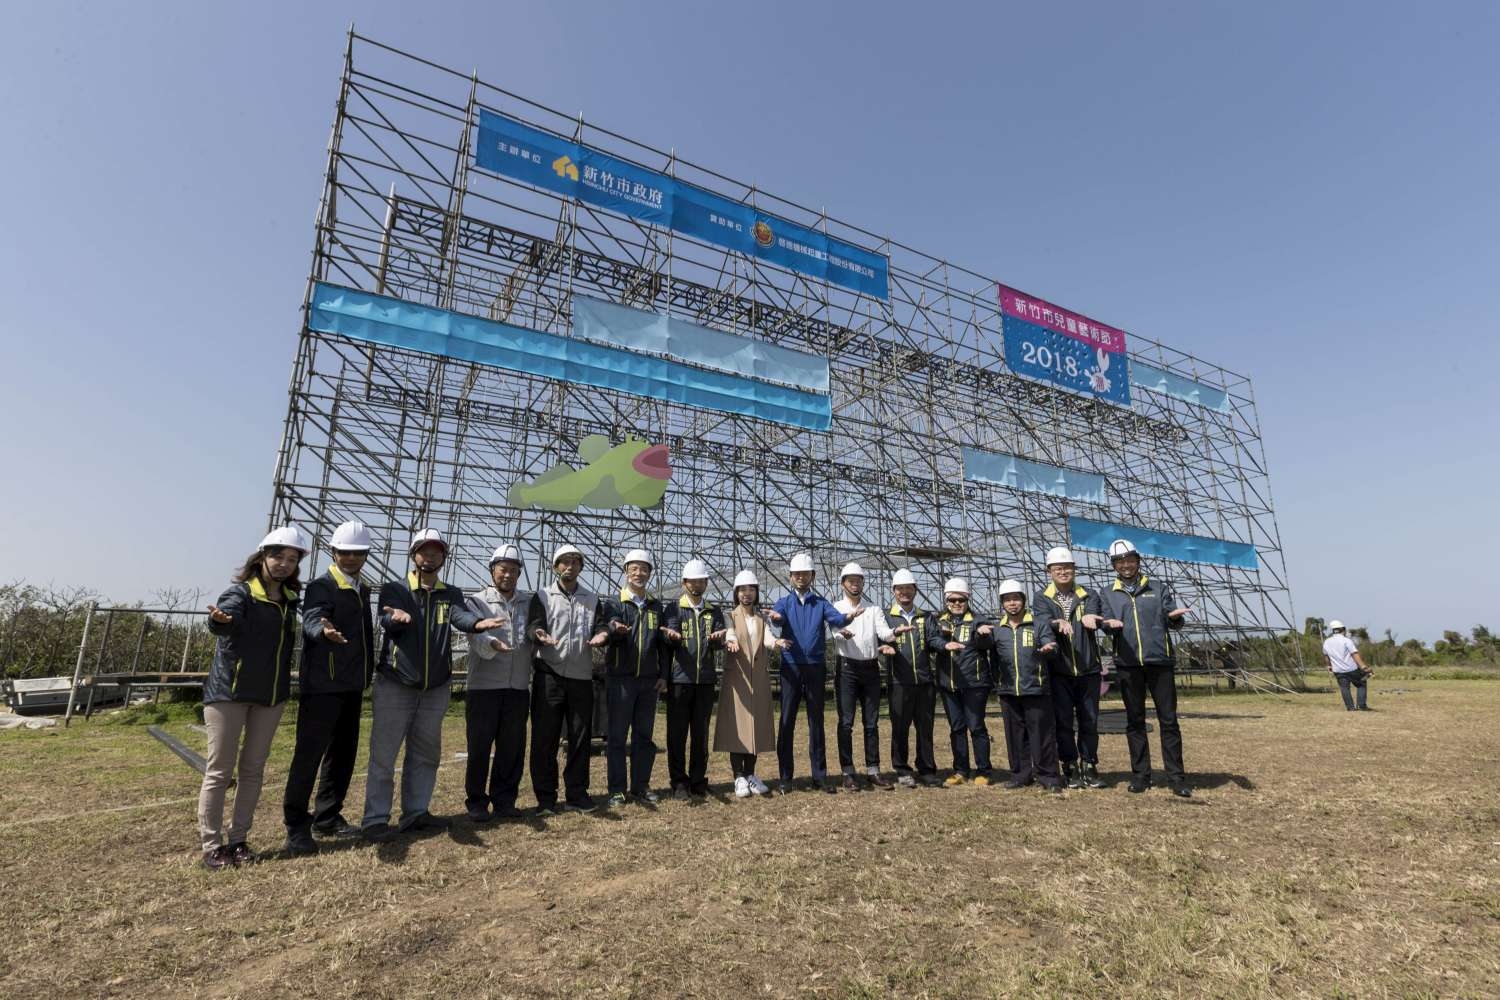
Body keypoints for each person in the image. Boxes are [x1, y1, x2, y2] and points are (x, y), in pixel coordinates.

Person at [362, 529, 505, 840]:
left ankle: (416, 812)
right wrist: (394, 619)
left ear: (443, 557)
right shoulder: (395, 590)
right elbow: (385, 619)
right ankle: (375, 820)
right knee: (384, 755)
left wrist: (478, 624)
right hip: (396, 683)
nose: (430, 556)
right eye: (425, 551)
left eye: (437, 552)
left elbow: (461, 617)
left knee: (426, 754)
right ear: (414, 555)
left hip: (435, 687)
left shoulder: (449, 594)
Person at [200, 525, 310, 870]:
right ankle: (211, 845)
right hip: (229, 693)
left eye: (291, 559)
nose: (283, 564)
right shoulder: (241, 594)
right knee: (219, 770)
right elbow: (224, 623)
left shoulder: (290, 602)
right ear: (262, 557)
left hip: (270, 695)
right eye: (277, 556)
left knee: (253, 770)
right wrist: (220, 622)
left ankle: (239, 839)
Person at [283, 521, 374, 857]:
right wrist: (323, 631)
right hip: (322, 686)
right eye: (345, 552)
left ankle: (327, 817)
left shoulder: (361, 589)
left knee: (342, 757)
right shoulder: (323, 586)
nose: (351, 558)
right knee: (308, 757)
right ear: (333, 553)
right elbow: (312, 618)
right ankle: (296, 826)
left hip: (351, 686)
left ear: (365, 555)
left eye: (358, 553)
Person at [1098, 538, 1193, 797]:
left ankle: (1176, 777)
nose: (1126, 565)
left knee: (1169, 720)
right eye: (1120, 561)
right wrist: (1107, 625)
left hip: (1159, 662)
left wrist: (1176, 618)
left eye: (1130, 559)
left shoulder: (1158, 587)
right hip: (1128, 664)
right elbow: (1104, 621)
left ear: (1138, 561)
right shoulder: (1107, 593)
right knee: (1135, 722)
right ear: (1114, 566)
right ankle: (1141, 776)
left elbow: (1171, 617)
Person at [526, 543, 611, 815]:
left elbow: (600, 625)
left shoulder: (591, 598)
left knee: (580, 736)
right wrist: (538, 633)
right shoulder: (542, 595)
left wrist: (602, 635)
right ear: (555, 566)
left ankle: (577, 793)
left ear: (580, 567)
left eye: (575, 562)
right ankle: (546, 798)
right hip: (549, 674)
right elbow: (533, 624)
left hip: (580, 675)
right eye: (564, 562)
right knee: (545, 738)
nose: (570, 566)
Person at [766, 553, 859, 794]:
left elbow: (835, 619)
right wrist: (776, 619)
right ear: (790, 577)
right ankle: (785, 777)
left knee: (816, 722)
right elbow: (778, 620)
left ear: (812, 576)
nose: (800, 577)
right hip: (791, 666)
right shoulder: (783, 602)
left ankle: (820, 776)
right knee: (787, 721)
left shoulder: (821, 603)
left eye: (805, 574)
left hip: (816, 667)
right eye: (797, 574)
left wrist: (848, 617)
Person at [464, 544, 534, 822]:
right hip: (484, 687)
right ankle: (477, 802)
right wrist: (492, 642)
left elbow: (535, 631)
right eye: (503, 569)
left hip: (517, 687)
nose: (508, 575)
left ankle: (505, 800)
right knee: (480, 747)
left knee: (511, 747)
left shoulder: (528, 603)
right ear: (492, 570)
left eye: (514, 570)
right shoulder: (477, 602)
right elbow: (475, 636)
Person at [1034, 546, 1107, 790]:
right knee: (1063, 721)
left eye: (1067, 567)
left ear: (1074, 569)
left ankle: (1089, 764)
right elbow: (1041, 623)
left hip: (1088, 669)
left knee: (1089, 720)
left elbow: (1096, 615)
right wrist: (1056, 623)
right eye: (1058, 568)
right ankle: (1070, 764)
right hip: (1060, 670)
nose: (1063, 572)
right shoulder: (1042, 597)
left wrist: (1092, 619)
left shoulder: (1089, 594)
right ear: (1049, 571)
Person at [603, 549, 668, 807]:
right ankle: (616, 790)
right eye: (634, 569)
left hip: (648, 681)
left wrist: (663, 674)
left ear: (650, 573)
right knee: (617, 737)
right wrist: (613, 629)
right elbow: (607, 627)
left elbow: (662, 644)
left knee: (644, 737)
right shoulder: (614, 603)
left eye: (644, 569)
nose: (639, 574)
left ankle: (640, 786)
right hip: (621, 679)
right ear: (626, 571)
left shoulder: (655, 606)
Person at [831, 562, 902, 791]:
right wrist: (842, 630)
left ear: (863, 583)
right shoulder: (836, 607)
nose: (855, 584)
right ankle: (847, 771)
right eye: (850, 580)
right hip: (847, 669)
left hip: (871, 668)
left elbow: (883, 632)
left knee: (871, 722)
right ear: (843, 584)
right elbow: (833, 631)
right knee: (846, 722)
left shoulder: (873, 609)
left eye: (858, 580)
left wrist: (894, 634)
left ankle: (873, 770)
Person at [661, 559, 727, 800]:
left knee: (701, 734)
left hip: (705, 680)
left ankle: (698, 780)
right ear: (684, 583)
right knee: (676, 734)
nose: (697, 584)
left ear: (706, 583)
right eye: (693, 581)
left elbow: (719, 642)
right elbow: (668, 639)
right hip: (680, 680)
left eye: (701, 580)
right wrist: (672, 637)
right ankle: (679, 782)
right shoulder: (673, 609)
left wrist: (720, 638)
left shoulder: (713, 610)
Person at [991, 580, 1062, 793]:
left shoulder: (1039, 624)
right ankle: (1021, 775)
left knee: (1042, 734)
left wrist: (1050, 649)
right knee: (1015, 735)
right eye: (1007, 600)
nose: (1012, 604)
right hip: (1009, 690)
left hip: (1036, 687)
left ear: (1023, 600)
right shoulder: (998, 629)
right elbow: (993, 659)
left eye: (1016, 599)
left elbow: (1052, 645)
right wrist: (999, 683)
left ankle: (1048, 776)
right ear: (1002, 603)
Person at [878, 569, 944, 788]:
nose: (904, 592)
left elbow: (933, 640)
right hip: (899, 681)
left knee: (925, 727)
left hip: (924, 680)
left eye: (909, 588)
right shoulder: (887, 616)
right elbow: (879, 639)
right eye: (900, 589)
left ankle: (926, 769)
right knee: (900, 727)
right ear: (894, 591)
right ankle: (902, 769)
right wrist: (884, 648)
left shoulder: (925, 616)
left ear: (915, 590)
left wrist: (945, 645)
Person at [714, 570, 775, 798]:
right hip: (736, 679)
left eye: (751, 589)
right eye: (742, 590)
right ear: (736, 593)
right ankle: (738, 776)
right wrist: (730, 640)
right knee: (737, 728)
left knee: (755, 727)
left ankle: (750, 774)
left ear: (756, 593)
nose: (746, 594)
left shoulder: (761, 619)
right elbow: (729, 633)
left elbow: (767, 638)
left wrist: (776, 642)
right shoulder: (730, 615)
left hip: (757, 679)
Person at [933, 578, 996, 786]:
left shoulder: (977, 620)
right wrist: (943, 643)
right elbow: (932, 641)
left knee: (976, 726)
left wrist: (983, 635)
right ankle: (960, 770)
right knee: (956, 728)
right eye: (952, 600)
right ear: (946, 600)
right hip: (948, 683)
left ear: (967, 599)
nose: (957, 604)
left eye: (961, 599)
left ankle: (983, 771)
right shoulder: (939, 620)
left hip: (974, 683)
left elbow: (986, 643)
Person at [1323, 620, 1373, 711]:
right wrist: (1363, 667)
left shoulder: (1327, 642)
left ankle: (1350, 708)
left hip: (1337, 670)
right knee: (1361, 684)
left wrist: (1329, 666)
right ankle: (1361, 705)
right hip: (1351, 669)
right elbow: (1354, 654)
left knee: (1344, 688)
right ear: (1342, 629)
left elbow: (1326, 656)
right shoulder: (1346, 641)